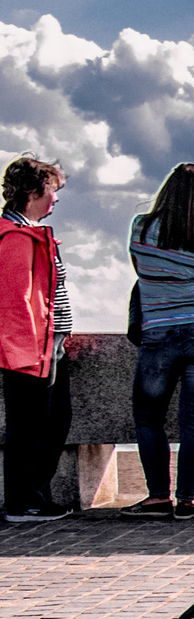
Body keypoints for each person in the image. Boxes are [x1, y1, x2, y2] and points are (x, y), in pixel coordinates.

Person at [127, 163, 194, 520]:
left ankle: (158, 497)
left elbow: (143, 272)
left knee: (148, 417)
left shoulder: (140, 227)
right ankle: (186, 501)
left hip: (159, 334)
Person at [0, 155, 73, 521]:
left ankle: (35, 498)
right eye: (51, 190)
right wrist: (29, 352)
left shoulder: (26, 231)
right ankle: (23, 501)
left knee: (52, 421)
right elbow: (14, 301)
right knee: (31, 426)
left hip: (45, 346)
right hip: (32, 350)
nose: (56, 199)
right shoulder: (16, 237)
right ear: (32, 192)